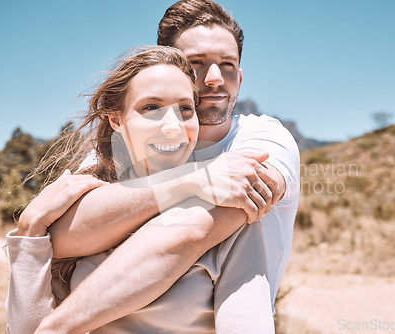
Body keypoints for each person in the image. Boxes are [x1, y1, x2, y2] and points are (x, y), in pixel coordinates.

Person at [32, 0, 300, 332]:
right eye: (197, 63)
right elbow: (61, 237)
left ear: (240, 78)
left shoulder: (262, 138)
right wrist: (195, 180)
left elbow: (193, 229)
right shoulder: (126, 148)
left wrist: (57, 327)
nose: (215, 78)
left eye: (227, 64)